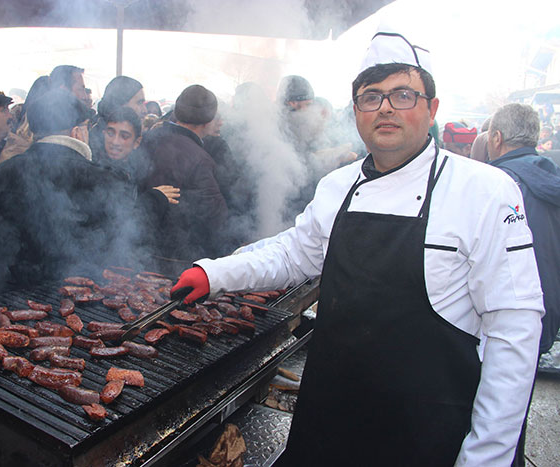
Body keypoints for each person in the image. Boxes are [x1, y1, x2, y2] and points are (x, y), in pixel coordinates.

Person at [171, 31, 543, 466]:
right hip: (331, 419)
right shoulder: (338, 186)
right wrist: (215, 274)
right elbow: (294, 253)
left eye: (402, 94)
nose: (385, 107)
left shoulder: (486, 191)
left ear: (432, 108)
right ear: (356, 112)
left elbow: (514, 329)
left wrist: (488, 457)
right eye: (371, 97)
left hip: (429, 435)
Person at [0, 89, 146, 294]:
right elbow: (125, 245)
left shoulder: (3, 172)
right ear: (77, 132)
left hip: (9, 302)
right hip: (83, 303)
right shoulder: (105, 180)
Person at [487, 103, 560, 355]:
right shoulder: (554, 176)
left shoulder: (491, 184)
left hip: (501, 317)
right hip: (548, 309)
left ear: (497, 138)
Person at [142, 84, 228, 260]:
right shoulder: (200, 159)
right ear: (208, 120)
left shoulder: (149, 139)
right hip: (178, 255)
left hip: (142, 245)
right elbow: (215, 217)